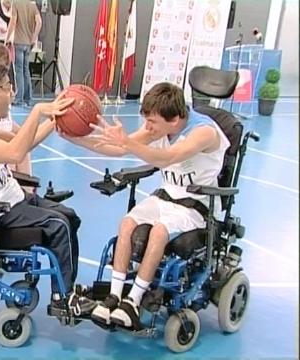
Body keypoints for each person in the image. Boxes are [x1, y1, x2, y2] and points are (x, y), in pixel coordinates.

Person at [62, 82, 230, 329]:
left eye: (152, 123)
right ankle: (115, 296)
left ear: (174, 121)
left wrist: (128, 143)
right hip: (165, 197)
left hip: (195, 205)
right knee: (127, 222)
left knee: (160, 231)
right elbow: (118, 148)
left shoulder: (204, 133)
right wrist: (75, 138)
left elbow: (169, 157)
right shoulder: (161, 125)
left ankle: (133, 301)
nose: (148, 128)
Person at [0, 61, 94, 314]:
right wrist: (37, 111)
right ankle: (62, 299)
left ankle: (66, 286)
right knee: (58, 226)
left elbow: (25, 142)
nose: (12, 93)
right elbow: (15, 153)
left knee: (69, 217)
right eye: (7, 87)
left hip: (14, 200)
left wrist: (57, 118)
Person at [0, 42, 53, 175]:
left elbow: (7, 121)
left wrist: (22, 132)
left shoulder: (4, 87)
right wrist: (17, 139)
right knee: (17, 152)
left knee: (23, 152)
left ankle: (27, 191)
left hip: (4, 138)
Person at [5, 0, 42, 106]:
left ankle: (19, 98)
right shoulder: (32, 6)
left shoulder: (16, 3)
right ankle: (28, 98)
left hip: (18, 42)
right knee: (26, 70)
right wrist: (34, 38)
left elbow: (13, 21)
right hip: (28, 43)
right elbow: (39, 22)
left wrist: (6, 39)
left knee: (19, 71)